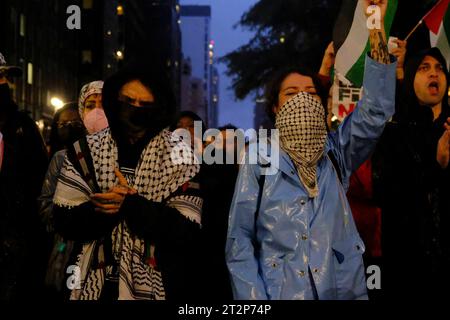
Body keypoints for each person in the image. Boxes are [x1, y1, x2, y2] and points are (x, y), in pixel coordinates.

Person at [226, 0, 396, 300]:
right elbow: (240, 241)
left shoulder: (336, 153)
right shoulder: (259, 159)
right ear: (276, 108)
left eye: (310, 94)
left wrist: (375, 27)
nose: (302, 100)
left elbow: (374, 112)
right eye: (291, 94)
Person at [51, 60, 203, 300]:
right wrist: (101, 209)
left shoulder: (181, 156)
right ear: (115, 101)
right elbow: (63, 219)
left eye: (145, 104)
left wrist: (131, 205)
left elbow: (187, 232)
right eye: (128, 102)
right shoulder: (84, 150)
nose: (136, 109)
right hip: (91, 284)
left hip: (160, 284)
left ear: (159, 107)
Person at [374, 46, 450, 297]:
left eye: (439, 68)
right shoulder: (395, 132)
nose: (434, 74)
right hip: (410, 265)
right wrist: (436, 164)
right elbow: (388, 193)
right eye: (424, 68)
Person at [0, 52, 49, 300]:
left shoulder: (23, 126)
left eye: (6, 77)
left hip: (15, 237)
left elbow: (38, 182)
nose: (4, 83)